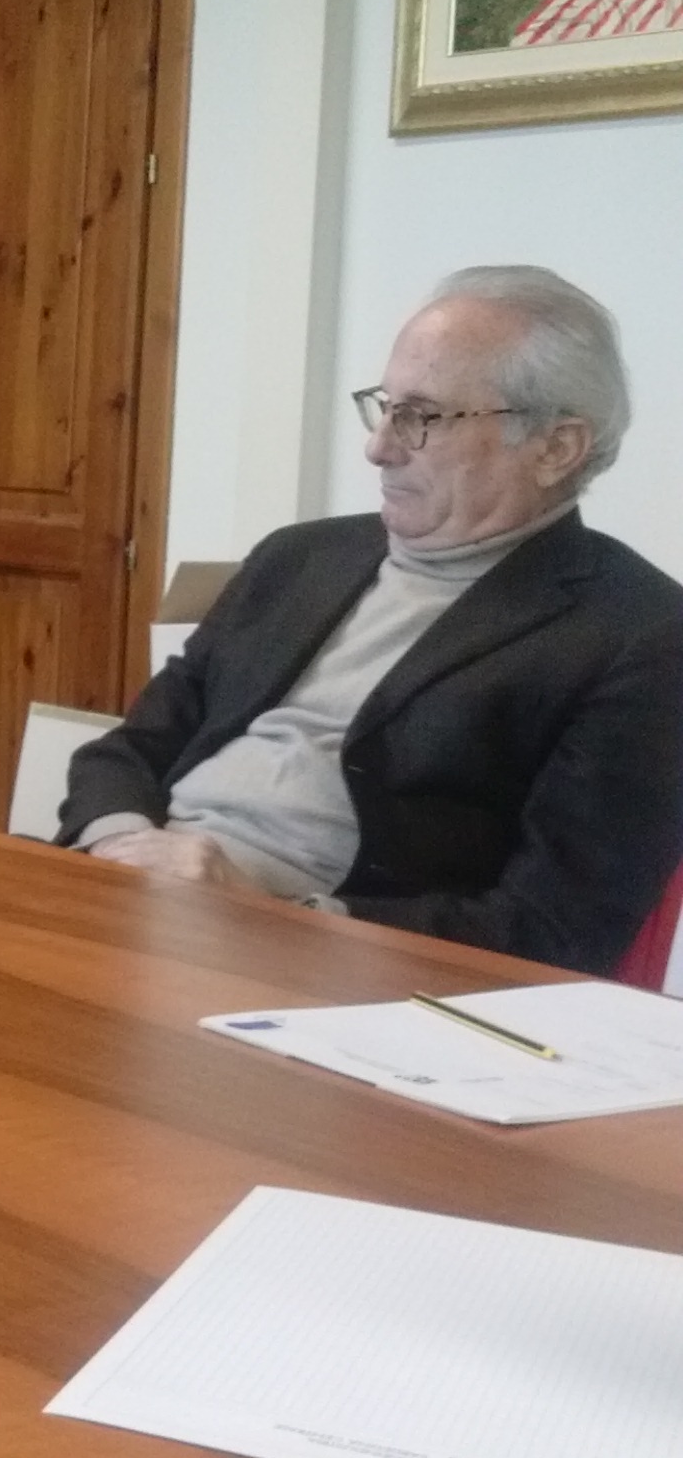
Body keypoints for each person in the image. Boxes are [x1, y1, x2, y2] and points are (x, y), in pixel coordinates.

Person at [59, 266, 683, 975]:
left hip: (319, 972)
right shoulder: (298, 558)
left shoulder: (639, 634)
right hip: (124, 892)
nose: (379, 447)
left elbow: (555, 928)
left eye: (422, 417)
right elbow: (127, 751)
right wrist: (121, 848)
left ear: (555, 447)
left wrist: (274, 916)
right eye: (385, 407)